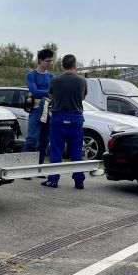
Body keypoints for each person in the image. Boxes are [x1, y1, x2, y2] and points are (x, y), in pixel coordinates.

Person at [42, 54, 87, 189]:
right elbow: (83, 97)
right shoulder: (82, 81)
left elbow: (51, 96)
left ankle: (53, 179)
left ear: (63, 65)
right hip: (76, 118)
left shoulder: (55, 80)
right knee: (76, 151)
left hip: (59, 118)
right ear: (75, 65)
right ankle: (79, 180)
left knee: (56, 151)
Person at [23, 48, 55, 163]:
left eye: (51, 61)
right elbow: (34, 92)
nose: (50, 63)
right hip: (36, 110)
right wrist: (49, 93)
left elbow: (54, 92)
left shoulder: (52, 76)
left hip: (48, 111)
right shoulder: (31, 75)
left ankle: (39, 166)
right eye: (48, 61)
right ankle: (24, 167)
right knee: (32, 139)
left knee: (45, 141)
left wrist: (46, 93)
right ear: (40, 60)